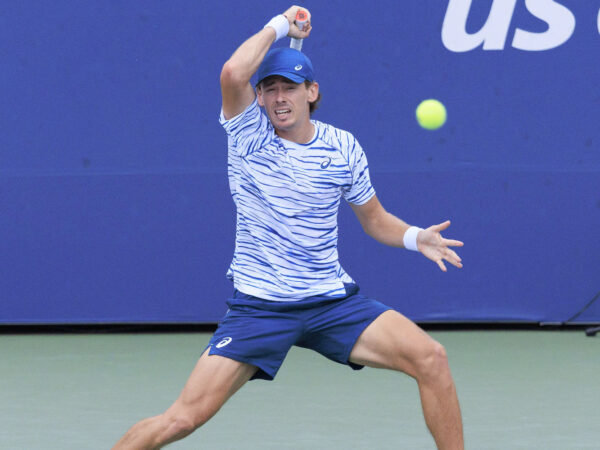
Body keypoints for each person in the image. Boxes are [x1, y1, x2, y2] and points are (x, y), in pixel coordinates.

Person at [113, 6, 464, 449]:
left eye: (290, 88)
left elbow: (374, 219)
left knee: (432, 358)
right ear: (258, 97)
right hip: (261, 307)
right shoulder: (247, 134)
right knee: (182, 419)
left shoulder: (342, 147)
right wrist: (281, 24)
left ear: (311, 91)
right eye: (270, 88)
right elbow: (232, 72)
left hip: (330, 303)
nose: (279, 98)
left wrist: (417, 237)